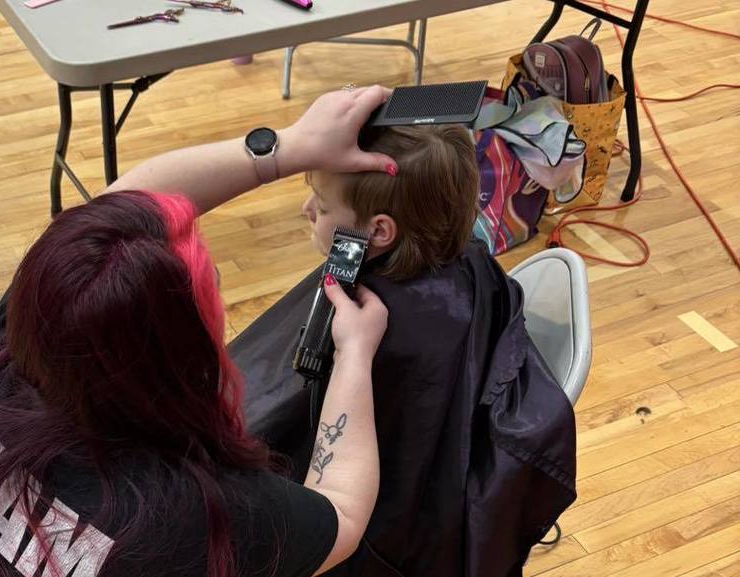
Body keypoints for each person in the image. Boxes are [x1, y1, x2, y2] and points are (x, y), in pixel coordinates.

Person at [0, 86, 400, 577]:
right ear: (179, 364)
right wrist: (354, 352)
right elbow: (343, 515)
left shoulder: (0, 364)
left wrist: (288, 147)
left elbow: (114, 211)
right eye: (213, 288)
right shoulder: (187, 515)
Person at [231, 123, 578, 577]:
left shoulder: (381, 336)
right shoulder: (469, 259)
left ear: (378, 231)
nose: (306, 209)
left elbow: (321, 487)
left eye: (323, 205)